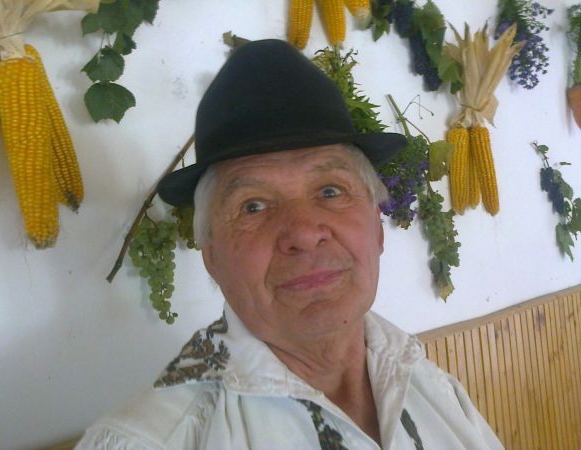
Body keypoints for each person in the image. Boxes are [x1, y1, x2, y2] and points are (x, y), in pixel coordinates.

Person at [76, 39, 503, 450]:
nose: (303, 232)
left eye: (331, 191)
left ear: (377, 227)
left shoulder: (434, 389)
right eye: (254, 206)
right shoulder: (150, 441)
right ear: (212, 256)